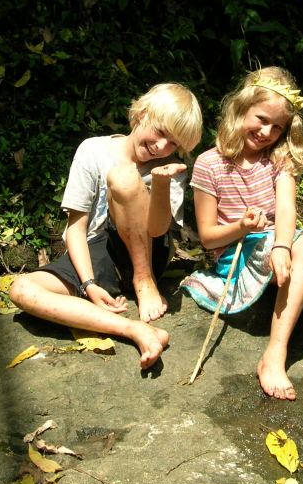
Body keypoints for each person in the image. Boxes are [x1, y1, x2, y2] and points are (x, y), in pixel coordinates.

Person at [181, 66, 303, 406]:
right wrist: (242, 227)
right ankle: (275, 353)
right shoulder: (209, 164)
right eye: (261, 119)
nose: (267, 132)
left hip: (279, 242)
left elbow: (286, 209)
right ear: (241, 109)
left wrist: (282, 245)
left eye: (277, 127)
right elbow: (208, 238)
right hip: (238, 253)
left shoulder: (278, 159)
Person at [10, 82, 202, 370]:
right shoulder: (94, 150)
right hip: (100, 254)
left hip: (149, 252)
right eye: (161, 132)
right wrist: (88, 284)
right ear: (142, 114)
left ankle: (143, 281)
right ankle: (134, 330)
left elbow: (158, 230)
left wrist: (161, 184)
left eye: (173, 143)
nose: (162, 147)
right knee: (22, 289)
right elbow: (76, 228)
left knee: (123, 178)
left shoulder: (169, 167)